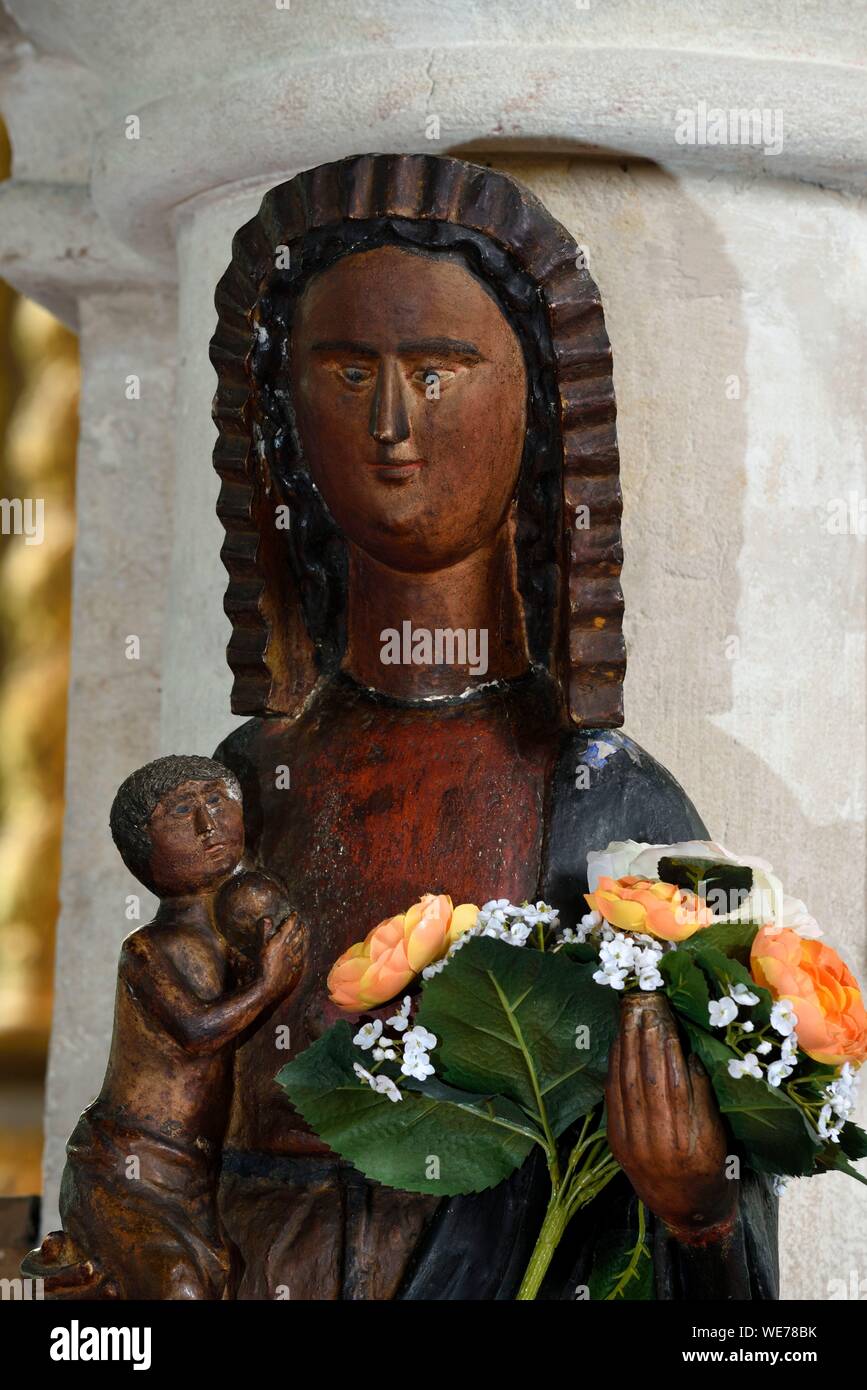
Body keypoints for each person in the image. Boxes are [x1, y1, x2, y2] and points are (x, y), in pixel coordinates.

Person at [23, 754, 304, 1299]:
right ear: (142, 853)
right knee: (178, 1290)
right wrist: (267, 986)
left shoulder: (239, 930)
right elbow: (197, 1032)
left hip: (193, 1175)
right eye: (181, 811)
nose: (208, 826)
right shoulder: (148, 950)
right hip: (124, 1167)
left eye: (216, 802)